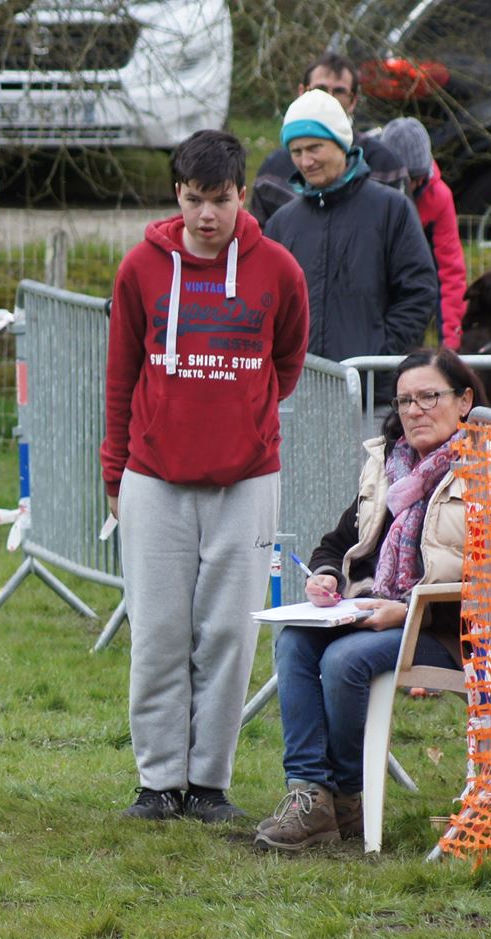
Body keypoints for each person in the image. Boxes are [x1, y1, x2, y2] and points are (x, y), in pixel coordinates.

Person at [100, 129, 310, 823]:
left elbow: (286, 365)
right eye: (194, 201)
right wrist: (115, 467)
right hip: (154, 476)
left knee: (227, 633)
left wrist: (238, 420)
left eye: (220, 201)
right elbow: (121, 375)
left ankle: (210, 783)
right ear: (178, 197)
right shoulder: (140, 268)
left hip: (246, 479)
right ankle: (158, 781)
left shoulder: (278, 270)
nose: (207, 216)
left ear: (242, 196)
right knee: (159, 630)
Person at [255, 348, 481, 851]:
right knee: (294, 639)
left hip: (446, 629)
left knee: (344, 658)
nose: (415, 410)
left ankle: (344, 796)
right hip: (371, 609)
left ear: (464, 401)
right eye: (405, 401)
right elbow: (339, 541)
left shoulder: (490, 471)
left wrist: (408, 610)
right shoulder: (389, 464)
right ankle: (310, 793)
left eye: (429, 396)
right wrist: (328, 576)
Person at [264, 90, 438, 363]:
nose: (305, 161)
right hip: (301, 391)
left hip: (371, 392)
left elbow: (418, 292)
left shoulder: (392, 209)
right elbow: (267, 303)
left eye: (314, 148)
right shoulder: (281, 223)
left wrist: (380, 356)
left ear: (341, 144)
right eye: (296, 151)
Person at [246, 52, 410, 226]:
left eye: (339, 91)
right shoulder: (273, 171)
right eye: (320, 89)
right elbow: (259, 242)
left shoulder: (384, 164)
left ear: (353, 100)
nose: (328, 98)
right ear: (302, 92)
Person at [379, 116, 466, 348]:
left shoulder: (439, 196)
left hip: (411, 301)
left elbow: (450, 270)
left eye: (418, 178)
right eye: (407, 179)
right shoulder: (370, 193)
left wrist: (451, 339)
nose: (414, 186)